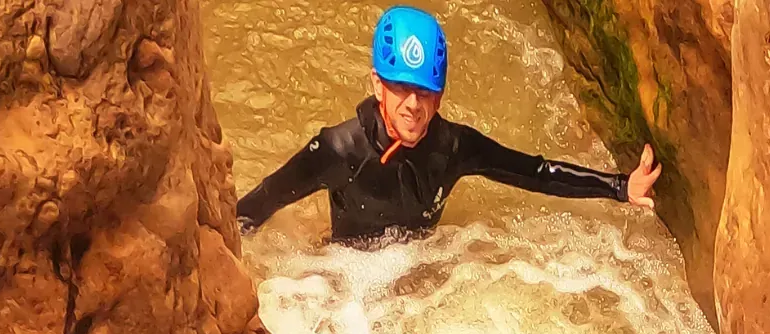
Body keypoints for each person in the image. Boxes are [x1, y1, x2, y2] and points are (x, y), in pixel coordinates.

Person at [237, 6, 662, 243]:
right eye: (401, 88)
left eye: (424, 93)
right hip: (346, 284)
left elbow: (534, 172)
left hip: (422, 276)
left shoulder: (453, 148)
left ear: (439, 97)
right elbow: (260, 205)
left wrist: (620, 187)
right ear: (377, 85)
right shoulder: (338, 149)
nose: (413, 105)